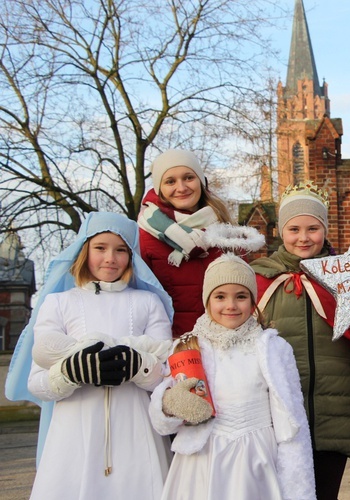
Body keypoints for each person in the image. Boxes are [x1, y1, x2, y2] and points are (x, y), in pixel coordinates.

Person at [251, 181, 350, 500]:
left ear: (325, 230)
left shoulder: (346, 280)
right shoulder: (258, 281)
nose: (304, 237)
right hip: (281, 424)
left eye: (313, 228)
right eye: (294, 229)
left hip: (335, 421)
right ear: (280, 230)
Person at [15, 212, 174, 499]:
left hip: (137, 432)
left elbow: (166, 375)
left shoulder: (148, 302)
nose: (110, 258)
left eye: (121, 249)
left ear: (131, 255)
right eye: (100, 248)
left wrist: (138, 366)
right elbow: (37, 382)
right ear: (84, 250)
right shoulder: (58, 303)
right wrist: (71, 372)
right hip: (73, 434)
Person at [149, 254, 315, 500]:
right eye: (220, 296)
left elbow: (292, 418)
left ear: (253, 300)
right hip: (203, 457)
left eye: (241, 296)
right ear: (207, 300)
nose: (231, 305)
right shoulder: (187, 347)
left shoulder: (273, 348)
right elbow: (163, 415)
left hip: (257, 456)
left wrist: (298, 484)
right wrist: (169, 404)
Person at [138, 148, 261, 338]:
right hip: (175, 344)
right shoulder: (146, 235)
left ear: (201, 181)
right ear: (159, 188)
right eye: (170, 181)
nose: (181, 187)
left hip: (224, 342)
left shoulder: (224, 227)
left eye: (188, 177)